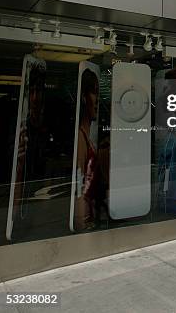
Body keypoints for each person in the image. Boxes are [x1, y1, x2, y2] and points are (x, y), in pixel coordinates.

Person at [74, 68, 100, 230]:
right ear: (84, 98)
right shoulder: (80, 138)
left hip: (90, 214)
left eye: (97, 93)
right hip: (84, 216)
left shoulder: (87, 137)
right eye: (93, 93)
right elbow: (78, 183)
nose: (97, 100)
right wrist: (80, 219)